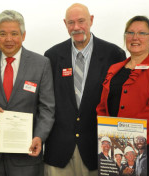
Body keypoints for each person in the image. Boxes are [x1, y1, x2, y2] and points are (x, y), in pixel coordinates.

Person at [43, 3, 126, 176]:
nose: (76, 27)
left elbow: (118, 102)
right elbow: (46, 101)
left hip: (98, 149)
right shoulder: (51, 56)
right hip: (59, 151)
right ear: (65, 24)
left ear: (91, 20)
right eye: (71, 23)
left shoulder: (114, 54)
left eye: (81, 21)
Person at [0, 10, 55, 176]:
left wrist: (39, 137)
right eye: (3, 34)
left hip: (27, 153)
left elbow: (47, 108)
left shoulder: (41, 64)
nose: (8, 39)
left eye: (14, 33)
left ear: (23, 35)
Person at [96, 16, 149, 176]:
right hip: (113, 147)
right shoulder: (114, 68)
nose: (135, 38)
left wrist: (125, 140)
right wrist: (107, 136)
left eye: (142, 33)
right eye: (130, 33)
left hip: (145, 147)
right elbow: (102, 106)